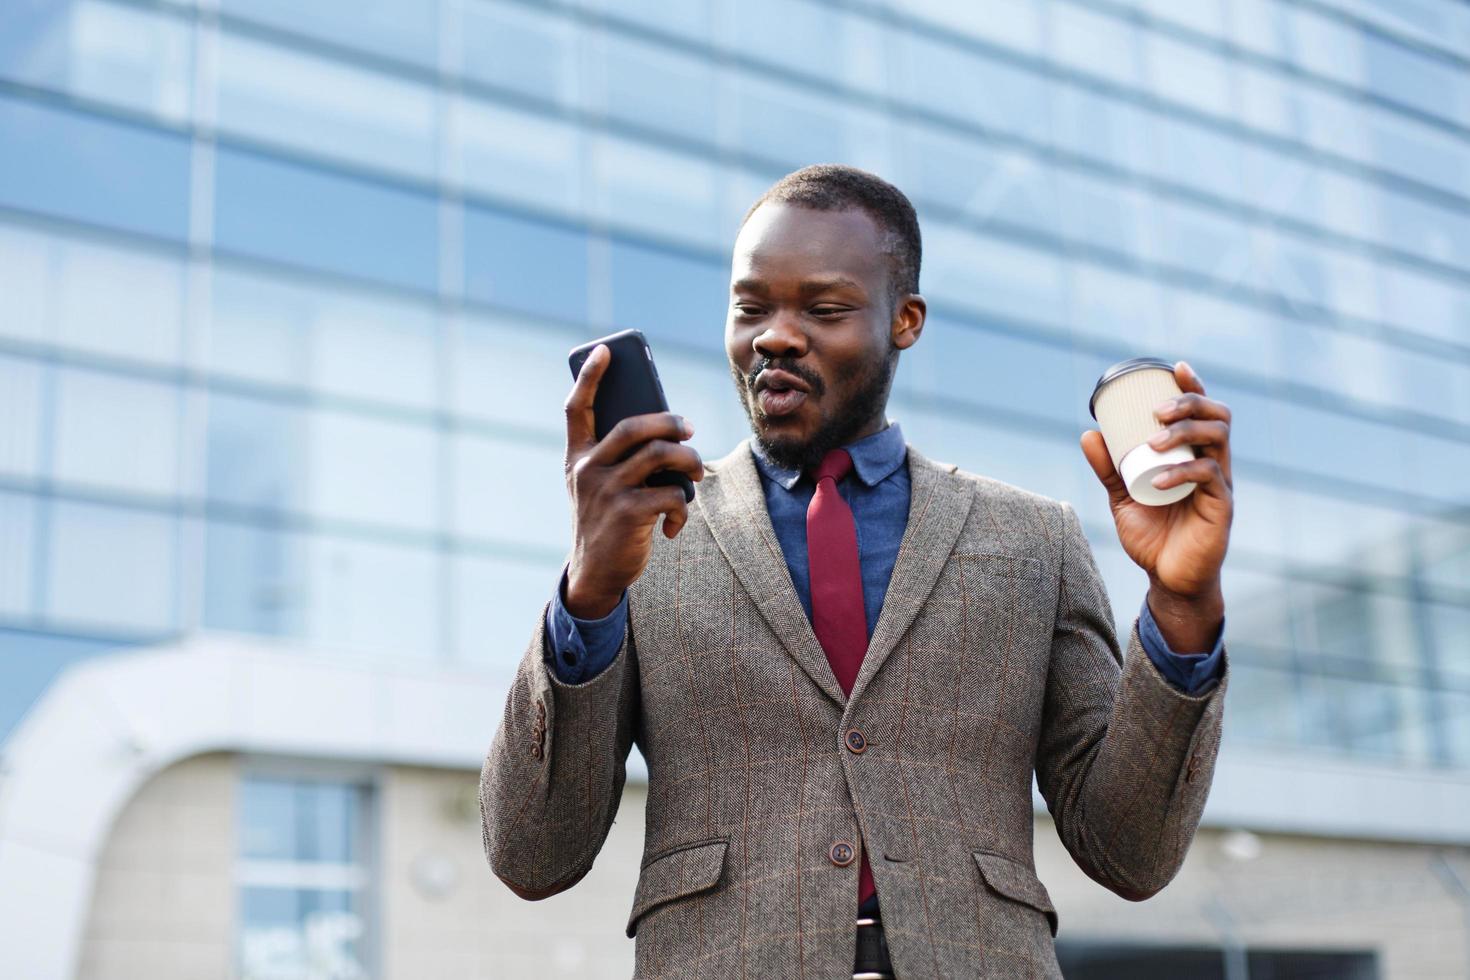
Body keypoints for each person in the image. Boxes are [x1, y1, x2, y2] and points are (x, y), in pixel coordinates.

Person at [480, 164, 1232, 979]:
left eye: (824, 308)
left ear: (904, 320)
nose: (774, 334)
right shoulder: (646, 536)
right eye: (751, 308)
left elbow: (1130, 852)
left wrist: (1182, 603)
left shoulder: (1032, 540)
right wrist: (588, 590)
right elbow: (532, 856)